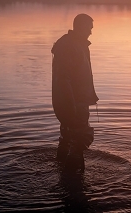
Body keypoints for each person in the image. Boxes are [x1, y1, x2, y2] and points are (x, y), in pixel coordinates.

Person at [51, 14, 99, 172]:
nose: (91, 32)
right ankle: (75, 181)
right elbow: (64, 79)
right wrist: (72, 104)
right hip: (74, 103)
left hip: (72, 102)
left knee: (67, 137)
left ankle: (60, 172)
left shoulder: (75, 44)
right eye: (89, 28)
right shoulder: (69, 46)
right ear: (81, 26)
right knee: (79, 140)